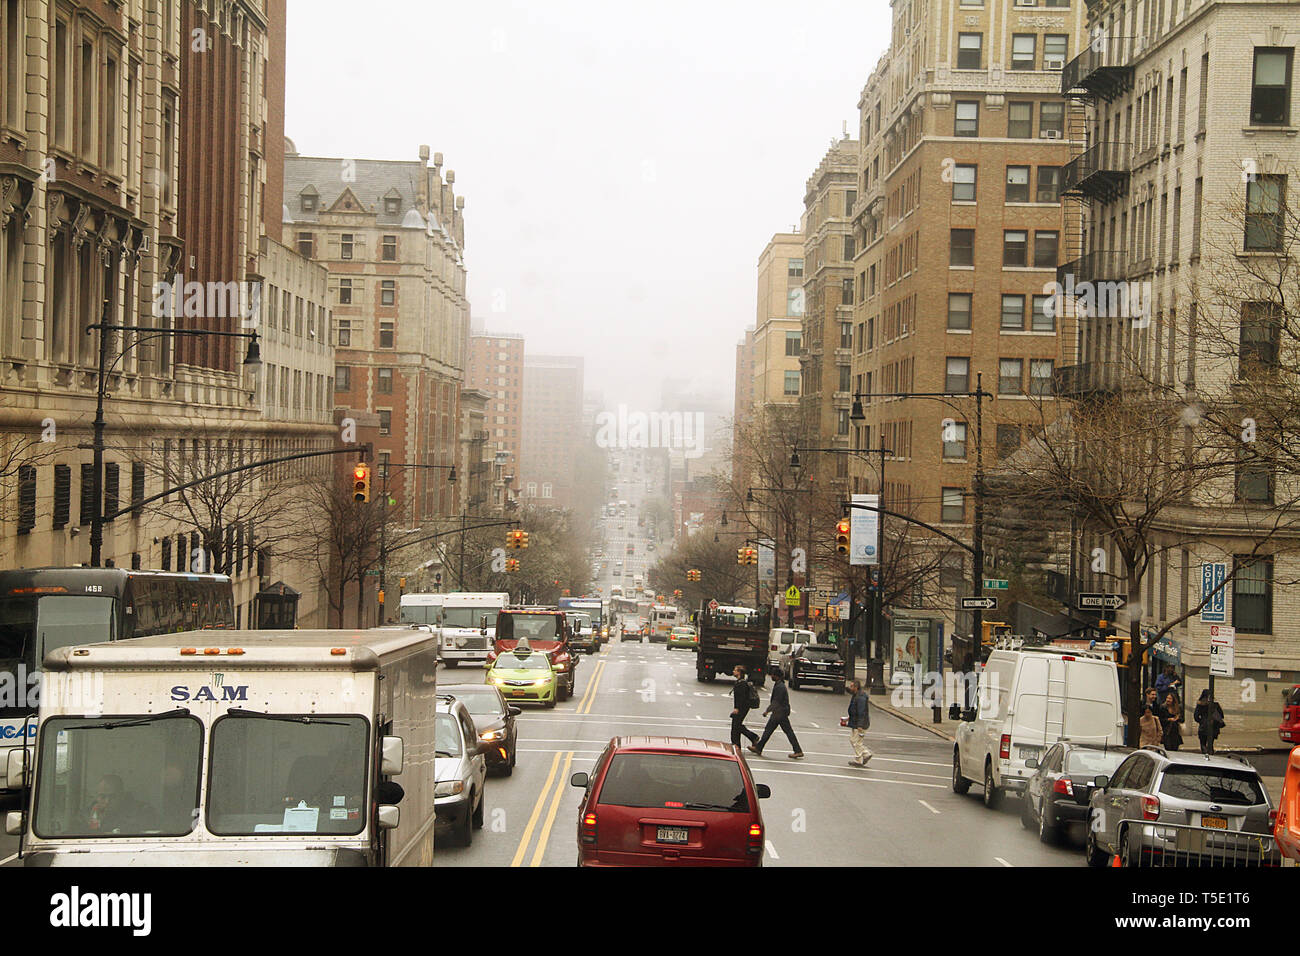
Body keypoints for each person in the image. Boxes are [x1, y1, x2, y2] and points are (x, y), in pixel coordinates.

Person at [748, 668, 804, 759]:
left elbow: (776, 702)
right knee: (771, 730)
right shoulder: (779, 685)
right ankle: (759, 747)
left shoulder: (780, 687)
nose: (771, 676)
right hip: (780, 712)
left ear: (777, 676)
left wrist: (767, 711)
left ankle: (798, 751)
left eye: (773, 675)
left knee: (778, 731)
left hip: (780, 713)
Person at [729, 665, 760, 748]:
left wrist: (737, 708)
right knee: (737, 725)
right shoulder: (740, 682)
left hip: (742, 708)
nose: (733, 671)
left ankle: (751, 738)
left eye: (735, 670)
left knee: (736, 726)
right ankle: (737, 744)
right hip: (742, 707)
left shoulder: (742, 684)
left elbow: (741, 698)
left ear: (739, 672)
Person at [845, 679, 873, 767]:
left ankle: (860, 758)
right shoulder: (856, 695)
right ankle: (864, 755)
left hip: (860, 724)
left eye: (852, 686)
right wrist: (849, 718)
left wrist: (860, 725)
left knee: (857, 742)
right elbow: (855, 711)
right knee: (854, 740)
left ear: (856, 687)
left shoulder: (860, 698)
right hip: (856, 722)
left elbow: (861, 712)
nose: (850, 688)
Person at [1194, 689, 1225, 755]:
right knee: (1210, 744)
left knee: (1203, 744)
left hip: (1203, 727)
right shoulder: (1215, 705)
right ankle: (1210, 754)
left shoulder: (1200, 704)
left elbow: (1196, 716)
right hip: (1213, 727)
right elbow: (1221, 715)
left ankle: (1205, 755)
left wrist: (1201, 721)